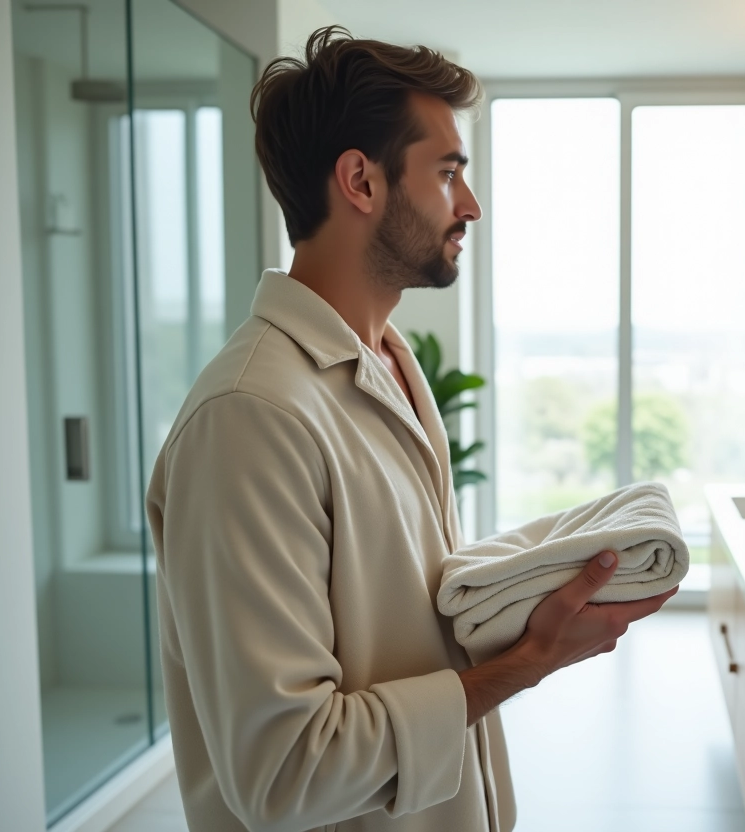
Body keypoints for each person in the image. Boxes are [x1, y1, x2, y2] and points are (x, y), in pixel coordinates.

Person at [145, 26, 676, 832]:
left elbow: (400, 624)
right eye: (449, 172)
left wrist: (525, 603)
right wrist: (523, 668)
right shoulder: (250, 418)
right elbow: (286, 772)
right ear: (360, 180)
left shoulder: (388, 363)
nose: (470, 205)